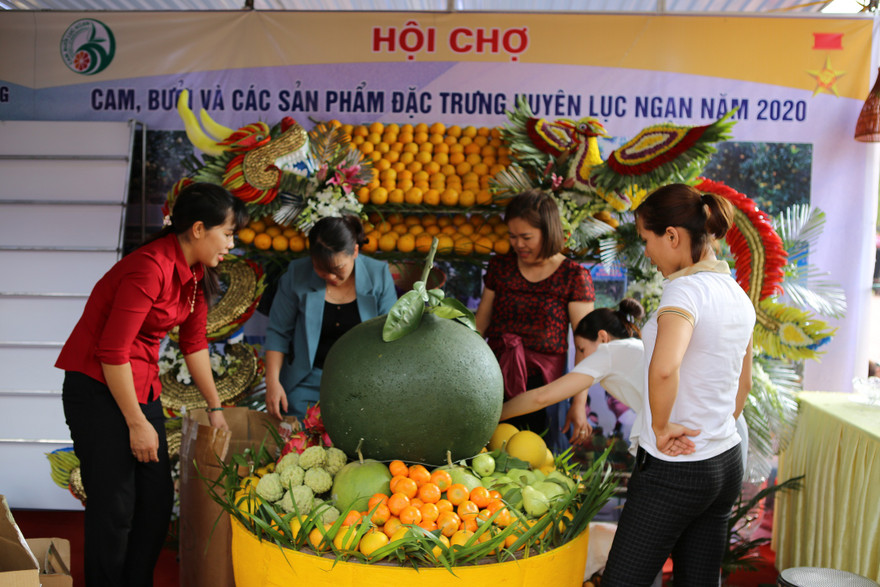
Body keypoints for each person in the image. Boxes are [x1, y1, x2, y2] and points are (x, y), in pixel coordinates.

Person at [55, 182, 246, 586]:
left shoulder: (195, 275)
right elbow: (111, 351)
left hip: (139, 387)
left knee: (157, 504)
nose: (231, 243)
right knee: (115, 508)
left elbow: (193, 343)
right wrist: (137, 423)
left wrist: (215, 407)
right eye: (227, 233)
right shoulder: (150, 267)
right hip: (96, 388)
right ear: (198, 229)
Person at [601, 183, 755, 587]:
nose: (647, 252)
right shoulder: (737, 294)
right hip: (724, 460)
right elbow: (745, 380)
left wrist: (663, 427)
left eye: (647, 240)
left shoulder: (685, 292)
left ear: (672, 236)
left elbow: (665, 368)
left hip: (676, 469)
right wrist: (717, 424)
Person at [474, 189, 595, 450]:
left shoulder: (574, 276)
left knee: (541, 455)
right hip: (496, 379)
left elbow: (586, 348)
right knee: (492, 451)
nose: (518, 244)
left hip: (547, 386)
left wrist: (578, 403)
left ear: (548, 232)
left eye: (526, 237)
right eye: (512, 236)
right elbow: (479, 327)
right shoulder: (500, 267)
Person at [264, 215, 397, 421]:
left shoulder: (378, 275)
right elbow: (278, 332)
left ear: (354, 251)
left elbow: (391, 335)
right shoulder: (296, 274)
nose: (331, 278)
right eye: (321, 270)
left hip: (363, 383)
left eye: (337, 269)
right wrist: (272, 383)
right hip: (306, 380)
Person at [500, 298, 645, 450]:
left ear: (603, 338)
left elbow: (542, 397)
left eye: (582, 349)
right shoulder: (632, 347)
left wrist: (496, 416)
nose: (582, 356)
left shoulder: (609, 352)